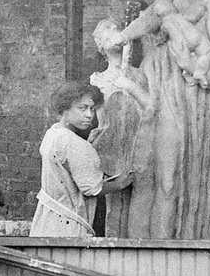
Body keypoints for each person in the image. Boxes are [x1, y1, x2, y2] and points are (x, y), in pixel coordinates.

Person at [101, 0, 210, 238]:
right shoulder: (161, 1)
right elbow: (145, 21)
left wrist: (197, 68)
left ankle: (185, 245)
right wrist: (121, 38)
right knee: (159, 177)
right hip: (161, 94)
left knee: (190, 179)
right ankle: (151, 246)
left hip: (198, 97)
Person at [29, 82, 133, 238]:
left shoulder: (53, 132)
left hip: (47, 219)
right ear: (65, 109)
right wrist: (121, 183)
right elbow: (93, 189)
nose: (89, 115)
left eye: (92, 109)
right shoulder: (75, 144)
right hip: (68, 225)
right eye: (82, 108)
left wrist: (87, 146)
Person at [89, 19, 155, 237]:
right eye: (107, 30)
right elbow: (101, 122)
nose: (115, 32)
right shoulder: (97, 80)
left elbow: (150, 107)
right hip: (114, 150)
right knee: (114, 209)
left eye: (117, 28)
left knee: (140, 207)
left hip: (139, 146)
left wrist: (129, 86)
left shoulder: (139, 75)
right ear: (100, 45)